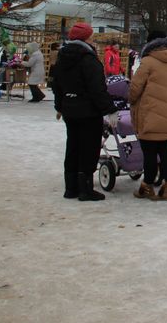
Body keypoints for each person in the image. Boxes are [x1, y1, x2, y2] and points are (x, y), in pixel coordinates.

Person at [51, 23, 118, 201]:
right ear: (86, 38)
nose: (93, 39)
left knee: (72, 146)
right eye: (91, 36)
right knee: (88, 149)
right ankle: (85, 189)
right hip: (88, 112)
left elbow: (56, 84)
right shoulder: (88, 58)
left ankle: (70, 187)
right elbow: (97, 88)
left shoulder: (62, 57)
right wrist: (110, 110)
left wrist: (60, 106)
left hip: (70, 110)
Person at [129, 31, 167, 201]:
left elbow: (135, 89)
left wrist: (133, 101)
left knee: (149, 154)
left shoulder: (147, 62)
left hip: (149, 116)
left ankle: (147, 186)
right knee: (166, 152)